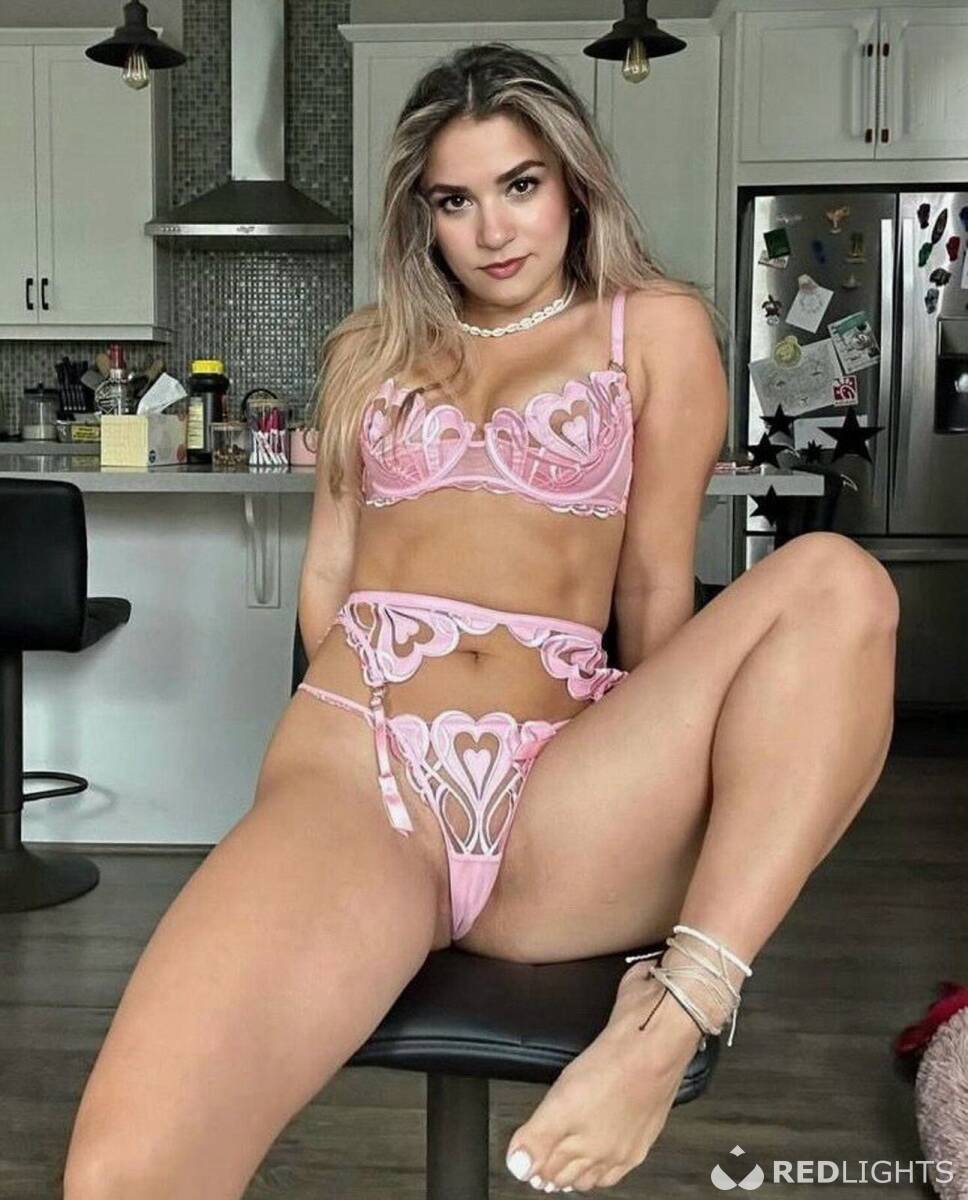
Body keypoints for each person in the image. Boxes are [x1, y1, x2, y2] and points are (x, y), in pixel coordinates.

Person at [62, 42, 900, 1199]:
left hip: (562, 795)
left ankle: (666, 1022)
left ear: (572, 184)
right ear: (421, 215)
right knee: (124, 1170)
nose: (492, 230)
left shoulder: (651, 329)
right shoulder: (366, 351)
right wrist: (332, 761)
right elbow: (327, 579)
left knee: (836, 582)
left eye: (518, 185)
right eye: (454, 200)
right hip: (364, 777)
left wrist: (660, 768)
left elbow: (652, 584)